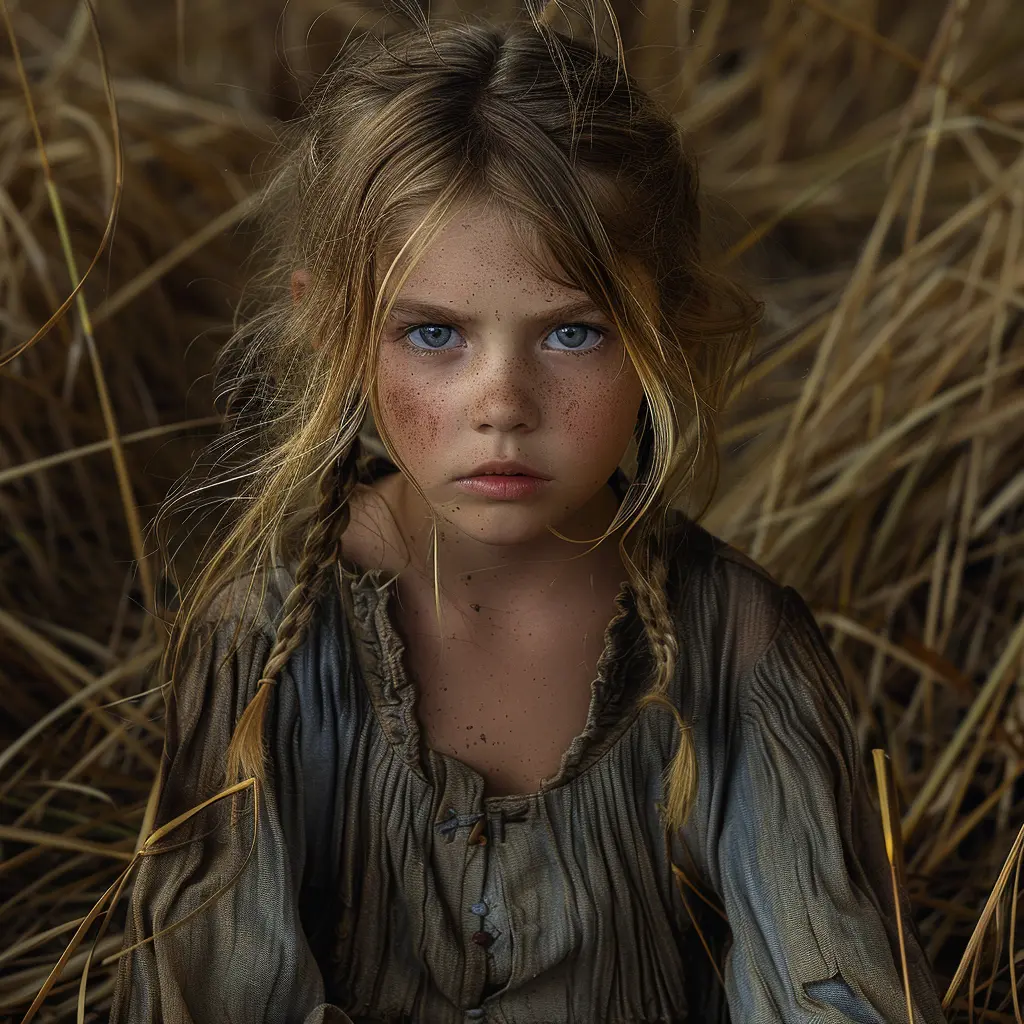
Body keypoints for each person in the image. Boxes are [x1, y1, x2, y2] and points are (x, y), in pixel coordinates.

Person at [108, 4, 948, 1022]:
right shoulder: (269, 648)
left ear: (660, 339)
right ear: (334, 331)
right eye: (432, 334)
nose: (500, 403)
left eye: (571, 336)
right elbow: (213, 995)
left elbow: (833, 994)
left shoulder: (736, 649)